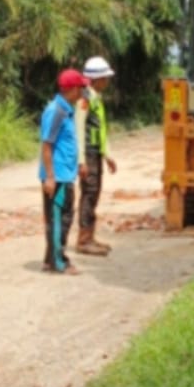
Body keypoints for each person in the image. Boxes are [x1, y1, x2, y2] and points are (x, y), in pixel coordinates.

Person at [38, 68, 89, 274]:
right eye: (82, 87)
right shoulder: (56, 112)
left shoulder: (66, 110)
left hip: (65, 174)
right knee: (60, 219)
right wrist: (50, 177)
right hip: (57, 177)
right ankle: (58, 262)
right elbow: (46, 145)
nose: (84, 91)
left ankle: (50, 258)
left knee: (60, 217)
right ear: (74, 88)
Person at [74, 56, 118, 256]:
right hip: (88, 154)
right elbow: (79, 129)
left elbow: (100, 130)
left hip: (95, 153)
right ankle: (84, 240)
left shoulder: (95, 99)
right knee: (89, 194)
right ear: (97, 79)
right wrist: (81, 160)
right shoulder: (85, 99)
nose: (107, 81)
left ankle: (89, 236)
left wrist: (107, 154)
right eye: (105, 78)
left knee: (94, 193)